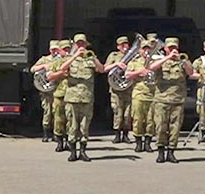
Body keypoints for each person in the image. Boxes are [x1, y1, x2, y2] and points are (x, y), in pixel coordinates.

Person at [47, 33, 106, 162]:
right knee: (73, 125)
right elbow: (62, 68)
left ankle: (83, 151)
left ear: (86, 44)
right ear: (74, 44)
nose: (80, 45)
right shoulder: (68, 59)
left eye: (82, 43)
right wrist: (74, 56)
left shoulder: (90, 59)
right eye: (78, 43)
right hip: (72, 98)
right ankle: (73, 152)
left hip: (87, 98)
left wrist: (93, 57)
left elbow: (101, 69)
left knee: (84, 126)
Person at [143, 37, 195, 164]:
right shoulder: (160, 60)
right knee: (160, 127)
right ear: (165, 48)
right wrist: (166, 58)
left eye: (175, 48)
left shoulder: (182, 60)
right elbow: (151, 68)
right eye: (170, 48)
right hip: (162, 99)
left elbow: (191, 72)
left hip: (177, 100)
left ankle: (171, 152)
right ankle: (161, 151)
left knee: (175, 128)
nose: (173, 50)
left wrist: (184, 62)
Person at [103, 36, 134, 143]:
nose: (124, 46)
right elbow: (105, 68)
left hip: (128, 88)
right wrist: (116, 64)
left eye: (126, 44)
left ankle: (125, 134)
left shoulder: (133, 56)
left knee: (127, 113)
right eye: (122, 45)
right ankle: (117, 134)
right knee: (117, 112)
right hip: (116, 89)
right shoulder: (114, 55)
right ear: (118, 46)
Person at [127, 39, 156, 153]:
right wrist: (139, 72)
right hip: (138, 94)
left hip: (152, 94)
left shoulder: (154, 62)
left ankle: (148, 143)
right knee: (138, 119)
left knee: (150, 120)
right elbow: (127, 75)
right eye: (144, 48)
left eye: (148, 48)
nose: (146, 51)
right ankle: (138, 143)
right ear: (140, 50)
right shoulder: (134, 62)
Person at [31, 43, 58, 142]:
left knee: (57, 112)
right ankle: (46, 133)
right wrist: (43, 66)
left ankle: (56, 134)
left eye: (56, 49)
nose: (54, 51)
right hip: (46, 92)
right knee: (47, 111)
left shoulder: (61, 59)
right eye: (52, 49)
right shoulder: (44, 59)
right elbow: (32, 69)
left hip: (57, 90)